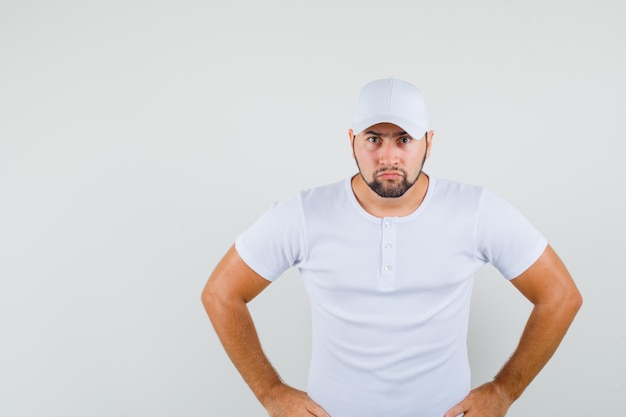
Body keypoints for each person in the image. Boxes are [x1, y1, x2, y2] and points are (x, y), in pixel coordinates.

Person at [201, 78, 582, 417]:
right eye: (373, 139)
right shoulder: (305, 213)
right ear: (351, 141)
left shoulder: (475, 210)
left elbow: (561, 296)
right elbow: (221, 293)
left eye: (404, 139)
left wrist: (503, 392)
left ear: (428, 143)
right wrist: (271, 393)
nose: (388, 157)